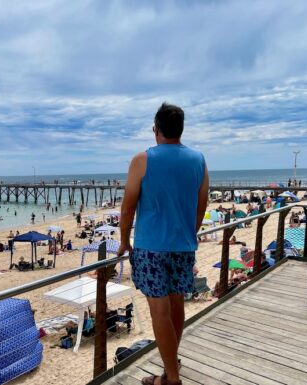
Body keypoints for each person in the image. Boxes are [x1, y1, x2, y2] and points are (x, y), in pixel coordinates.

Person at [118, 103, 208, 385]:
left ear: (156, 130)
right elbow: (201, 204)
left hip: (151, 247)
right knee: (176, 305)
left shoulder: (142, 160)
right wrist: (189, 232)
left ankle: (171, 377)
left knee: (159, 311)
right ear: (180, 130)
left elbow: (128, 207)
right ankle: (172, 362)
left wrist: (123, 239)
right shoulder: (198, 159)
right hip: (183, 245)